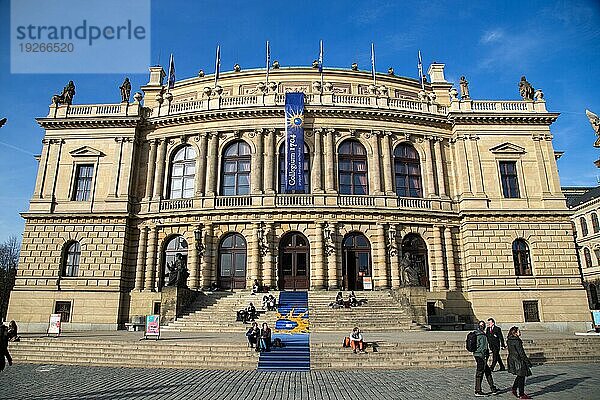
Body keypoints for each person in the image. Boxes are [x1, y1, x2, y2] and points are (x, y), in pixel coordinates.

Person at [474, 320, 500, 397]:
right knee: (480, 372)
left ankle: (493, 388)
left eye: (483, 325)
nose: (482, 326)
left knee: (487, 371)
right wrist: (484, 352)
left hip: (480, 355)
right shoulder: (480, 334)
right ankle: (478, 391)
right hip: (480, 356)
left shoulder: (478, 333)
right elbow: (482, 346)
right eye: (481, 325)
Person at [507, 326, 533, 399]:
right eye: (519, 331)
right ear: (515, 333)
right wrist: (527, 362)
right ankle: (521, 394)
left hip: (512, 359)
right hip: (518, 360)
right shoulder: (517, 341)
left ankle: (514, 389)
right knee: (522, 377)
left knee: (519, 375)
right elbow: (521, 353)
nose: (520, 332)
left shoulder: (509, 339)